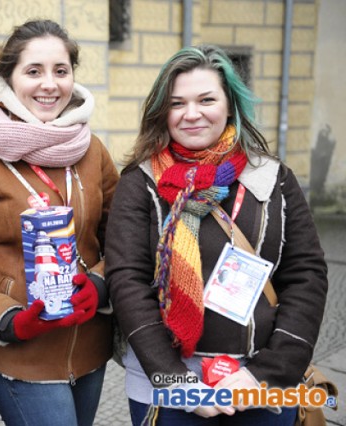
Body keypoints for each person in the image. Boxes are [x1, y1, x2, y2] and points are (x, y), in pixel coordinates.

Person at [105, 44, 329, 425]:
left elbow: (306, 275)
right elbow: (127, 282)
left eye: (206, 99)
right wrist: (176, 383)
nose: (192, 114)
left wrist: (268, 373)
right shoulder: (139, 182)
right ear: (163, 111)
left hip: (260, 382)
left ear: (230, 105)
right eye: (177, 103)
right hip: (170, 389)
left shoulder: (273, 178)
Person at [0, 19, 119, 426]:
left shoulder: (91, 149)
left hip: (89, 346)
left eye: (60, 70)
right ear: (9, 78)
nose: (49, 84)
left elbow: (124, 238)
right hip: (22, 353)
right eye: (34, 71)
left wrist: (101, 282)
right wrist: (6, 320)